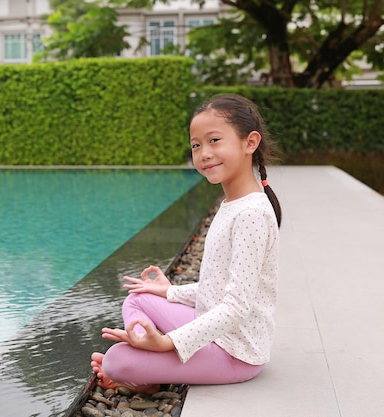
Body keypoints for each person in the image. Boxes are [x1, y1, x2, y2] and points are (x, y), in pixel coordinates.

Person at [91, 93, 282, 393]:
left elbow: (236, 306)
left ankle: (146, 370)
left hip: (237, 352)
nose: (204, 153)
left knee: (116, 361)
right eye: (196, 145)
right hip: (215, 330)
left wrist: (168, 342)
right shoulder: (232, 204)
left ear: (250, 143)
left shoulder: (252, 214)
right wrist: (169, 291)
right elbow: (219, 286)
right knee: (137, 298)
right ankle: (148, 354)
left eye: (214, 140)